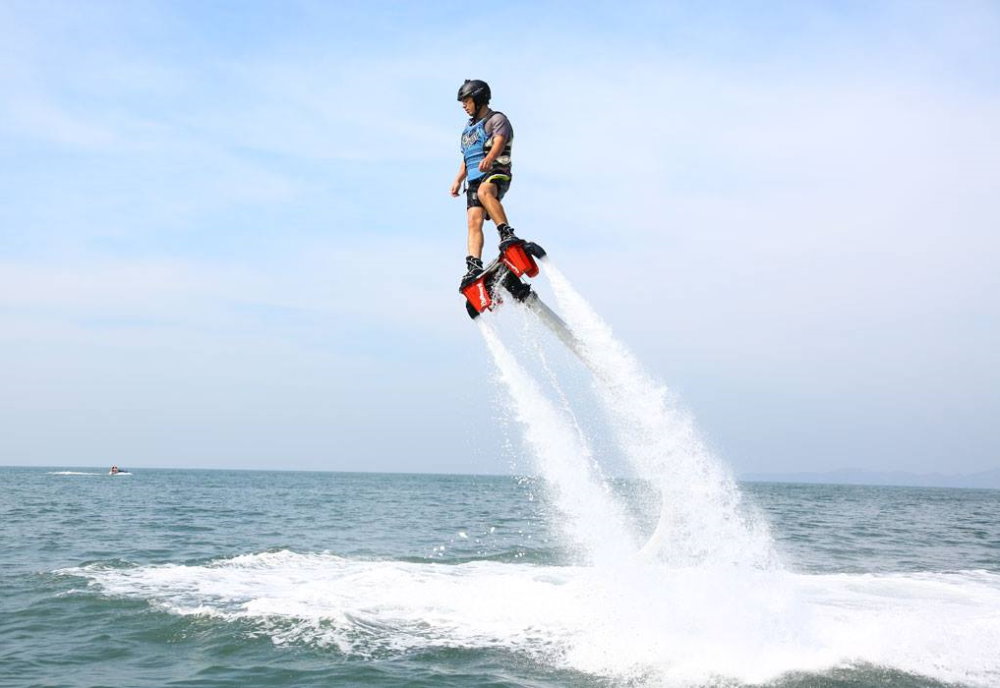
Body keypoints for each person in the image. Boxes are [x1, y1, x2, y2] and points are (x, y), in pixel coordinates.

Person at [450, 79, 520, 287]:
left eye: (467, 100)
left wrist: (490, 158)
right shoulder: (468, 129)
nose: (464, 105)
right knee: (473, 220)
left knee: (484, 191)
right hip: (473, 177)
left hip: (496, 170)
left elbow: (499, 140)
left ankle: (506, 233)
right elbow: (467, 157)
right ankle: (474, 265)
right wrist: (457, 180)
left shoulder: (496, 119)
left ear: (479, 99)